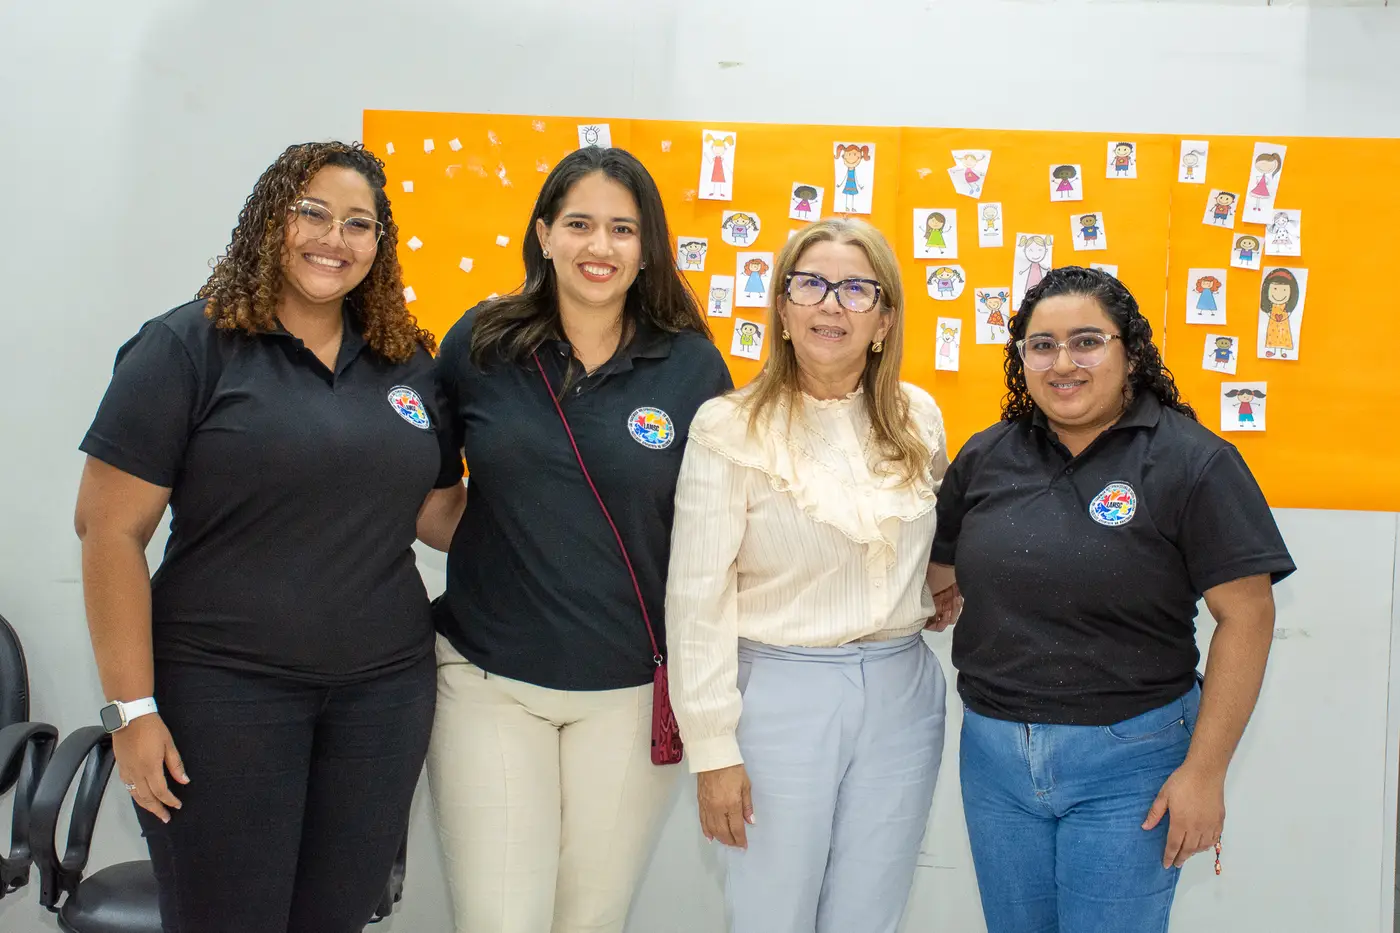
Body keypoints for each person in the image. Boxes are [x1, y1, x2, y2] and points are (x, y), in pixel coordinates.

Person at [74, 141, 466, 933]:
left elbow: (438, 514)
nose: (334, 238)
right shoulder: (186, 346)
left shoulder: (406, 362)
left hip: (382, 701)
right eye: (311, 212)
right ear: (268, 221)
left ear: (379, 244)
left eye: (358, 223)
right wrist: (130, 711)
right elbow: (108, 530)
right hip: (221, 697)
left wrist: (551, 487)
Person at [930, 266, 1296, 933]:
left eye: (1087, 341)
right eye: (1041, 345)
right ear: (1021, 358)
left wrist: (1205, 773)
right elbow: (933, 564)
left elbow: (1248, 614)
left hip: (1132, 760)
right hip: (993, 757)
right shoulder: (987, 456)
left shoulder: (1193, 460)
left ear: (1131, 352)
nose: (1063, 362)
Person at [428, 146, 733, 933]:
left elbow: (716, 534)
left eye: (623, 229)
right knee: (500, 921)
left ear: (648, 246)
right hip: (488, 680)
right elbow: (431, 498)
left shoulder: (692, 367)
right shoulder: (479, 344)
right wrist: (517, 544)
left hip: (627, 695)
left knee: (589, 921)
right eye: (580, 224)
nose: (601, 246)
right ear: (544, 234)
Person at [667, 218, 950, 933]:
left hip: (903, 692)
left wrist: (943, 582)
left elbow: (928, 536)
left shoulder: (919, 418)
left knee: (870, 913)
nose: (832, 304)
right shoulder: (727, 427)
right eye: (811, 285)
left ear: (884, 319)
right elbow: (696, 599)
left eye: (857, 289)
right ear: (783, 309)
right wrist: (712, 749)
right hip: (778, 695)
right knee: (772, 912)